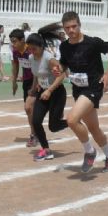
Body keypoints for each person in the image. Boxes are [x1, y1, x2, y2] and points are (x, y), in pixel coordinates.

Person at [58, 11, 108, 173]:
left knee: (71, 120)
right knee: (93, 128)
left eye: (74, 26)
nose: (71, 30)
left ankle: (89, 151)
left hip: (93, 87)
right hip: (78, 89)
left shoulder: (92, 43)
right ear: (64, 29)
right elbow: (64, 64)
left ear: (79, 25)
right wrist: (60, 69)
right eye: (67, 28)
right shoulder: (64, 46)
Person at [26, 27, 69, 161]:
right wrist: (33, 89)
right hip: (42, 93)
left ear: (41, 46)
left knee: (54, 126)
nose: (32, 51)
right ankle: (46, 150)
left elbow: (62, 75)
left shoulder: (49, 59)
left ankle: (73, 121)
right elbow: (36, 75)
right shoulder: (31, 58)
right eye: (30, 48)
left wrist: (50, 90)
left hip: (56, 93)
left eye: (34, 49)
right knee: (36, 121)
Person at [9, 28, 37, 147]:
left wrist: (35, 85)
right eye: (11, 42)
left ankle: (34, 135)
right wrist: (14, 82)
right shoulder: (16, 52)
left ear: (22, 40)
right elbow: (15, 65)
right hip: (26, 82)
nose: (13, 44)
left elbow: (38, 67)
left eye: (15, 41)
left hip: (37, 81)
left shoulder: (31, 51)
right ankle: (35, 134)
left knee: (29, 108)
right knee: (29, 109)